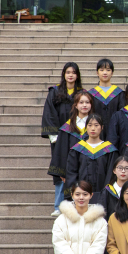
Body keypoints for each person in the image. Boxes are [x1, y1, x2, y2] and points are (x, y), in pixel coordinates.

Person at [42, 62, 81, 215]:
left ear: (77, 75)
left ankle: (75, 203)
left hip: (78, 136)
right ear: (64, 74)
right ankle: (59, 205)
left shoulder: (82, 93)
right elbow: (49, 113)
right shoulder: (55, 92)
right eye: (68, 72)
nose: (71, 75)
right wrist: (55, 137)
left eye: (74, 72)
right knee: (60, 169)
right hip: (60, 138)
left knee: (77, 168)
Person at [48, 89, 93, 216]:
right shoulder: (67, 127)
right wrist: (62, 171)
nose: (84, 105)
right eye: (81, 102)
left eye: (87, 102)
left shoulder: (96, 125)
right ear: (76, 105)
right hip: (71, 169)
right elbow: (61, 151)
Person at [66, 114, 118, 201]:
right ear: (86, 127)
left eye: (96, 125)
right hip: (82, 195)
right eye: (90, 125)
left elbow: (111, 173)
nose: (93, 128)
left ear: (102, 127)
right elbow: (71, 172)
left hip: (104, 195)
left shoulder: (109, 150)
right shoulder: (78, 149)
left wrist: (107, 192)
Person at [88, 58, 125, 138]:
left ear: (112, 73)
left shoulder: (119, 93)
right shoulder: (91, 94)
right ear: (97, 73)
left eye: (108, 70)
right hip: (95, 133)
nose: (105, 72)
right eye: (101, 70)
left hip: (115, 132)